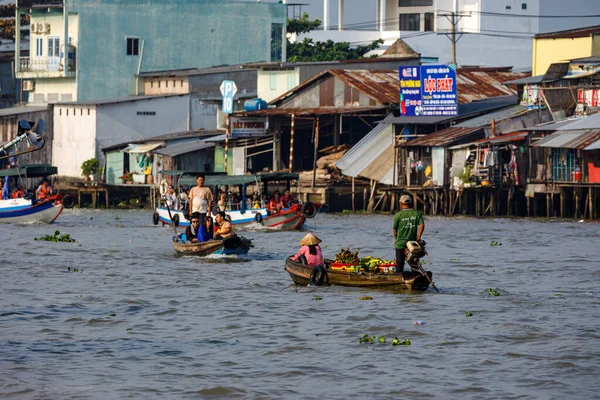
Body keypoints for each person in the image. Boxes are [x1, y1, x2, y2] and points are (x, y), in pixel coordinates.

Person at [393, 195, 425, 273]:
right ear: (410, 203)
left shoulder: (398, 215)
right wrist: (418, 237)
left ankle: (399, 278)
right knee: (414, 262)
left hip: (400, 242)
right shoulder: (417, 213)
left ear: (401, 203)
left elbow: (395, 229)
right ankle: (416, 276)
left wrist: (395, 238)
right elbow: (422, 225)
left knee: (400, 264)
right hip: (412, 243)